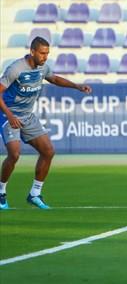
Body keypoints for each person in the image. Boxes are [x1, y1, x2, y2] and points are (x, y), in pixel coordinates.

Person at [0, 37, 92, 210]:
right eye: (42, 53)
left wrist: (77, 86)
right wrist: (9, 115)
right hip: (8, 115)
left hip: (27, 116)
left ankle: (35, 194)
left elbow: (54, 79)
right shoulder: (16, 68)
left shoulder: (43, 67)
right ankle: (1, 192)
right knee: (14, 154)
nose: (45, 57)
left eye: (47, 53)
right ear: (32, 51)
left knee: (48, 151)